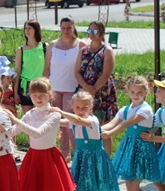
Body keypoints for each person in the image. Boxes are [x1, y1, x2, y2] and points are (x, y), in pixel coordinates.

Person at [6, 77, 75, 191]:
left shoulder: (54, 114)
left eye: (42, 95)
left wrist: (14, 119)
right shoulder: (30, 114)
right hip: (34, 158)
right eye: (34, 95)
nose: (37, 98)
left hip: (49, 159)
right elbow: (12, 132)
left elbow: (37, 133)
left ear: (49, 95)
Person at [50, 91, 119, 191]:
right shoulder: (75, 120)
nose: (81, 110)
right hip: (82, 159)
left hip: (93, 160)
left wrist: (61, 112)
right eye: (77, 107)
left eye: (84, 107)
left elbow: (77, 121)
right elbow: (65, 122)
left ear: (91, 108)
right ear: (73, 107)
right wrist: (51, 118)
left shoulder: (92, 121)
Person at [102, 75, 163, 191]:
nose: (136, 95)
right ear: (128, 91)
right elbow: (113, 122)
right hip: (129, 147)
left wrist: (111, 133)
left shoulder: (145, 109)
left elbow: (127, 123)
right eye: (133, 92)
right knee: (130, 185)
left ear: (146, 93)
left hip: (141, 149)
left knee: (132, 187)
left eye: (140, 92)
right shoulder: (126, 108)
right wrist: (98, 129)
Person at [44, 16, 86, 161]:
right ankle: (64, 152)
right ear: (60, 28)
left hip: (71, 87)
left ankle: (77, 153)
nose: (66, 30)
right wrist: (45, 87)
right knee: (58, 120)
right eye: (63, 28)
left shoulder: (80, 45)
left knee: (69, 121)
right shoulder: (53, 45)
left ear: (73, 27)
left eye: (69, 28)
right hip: (55, 87)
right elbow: (47, 68)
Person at [74, 21, 118, 155]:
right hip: (85, 92)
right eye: (89, 31)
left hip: (103, 93)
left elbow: (106, 73)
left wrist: (94, 89)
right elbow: (77, 72)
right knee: (84, 123)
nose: (91, 34)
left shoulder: (107, 50)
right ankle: (87, 155)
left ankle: (106, 158)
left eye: (95, 31)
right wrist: (87, 88)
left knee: (102, 126)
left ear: (102, 33)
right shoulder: (83, 50)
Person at [14, 20, 47, 114]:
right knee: (28, 118)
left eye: (30, 28)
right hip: (26, 85)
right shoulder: (21, 50)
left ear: (36, 30)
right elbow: (18, 71)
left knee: (42, 115)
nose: (27, 30)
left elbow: (48, 67)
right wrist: (16, 92)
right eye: (25, 28)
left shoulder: (44, 47)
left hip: (41, 84)